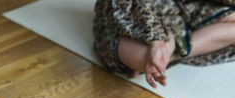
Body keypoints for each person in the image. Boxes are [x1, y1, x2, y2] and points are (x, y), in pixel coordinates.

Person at [93, 0, 235, 88]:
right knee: (141, 57)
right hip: (132, 13)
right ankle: (167, 51)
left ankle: (171, 53)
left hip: (184, 7)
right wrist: (156, 40)